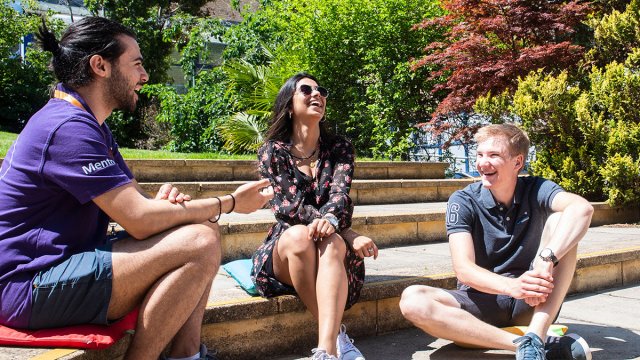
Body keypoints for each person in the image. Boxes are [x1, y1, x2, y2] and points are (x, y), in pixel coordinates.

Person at [0, 17, 274, 360]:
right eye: (137, 64)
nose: (144, 77)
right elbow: (140, 220)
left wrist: (164, 208)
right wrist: (231, 202)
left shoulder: (90, 123)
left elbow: (138, 207)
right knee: (200, 239)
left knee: (200, 230)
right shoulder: (67, 127)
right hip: (27, 285)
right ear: (100, 65)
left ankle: (186, 355)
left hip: (60, 266)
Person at [399, 124, 594, 360]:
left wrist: (545, 261)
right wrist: (512, 287)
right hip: (481, 304)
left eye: (494, 155)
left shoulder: (537, 188)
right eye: (480, 154)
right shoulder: (463, 200)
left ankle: (537, 331)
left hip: (533, 302)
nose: (482, 163)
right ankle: (531, 345)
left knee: (564, 221)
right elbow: (464, 270)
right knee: (413, 300)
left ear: (517, 162)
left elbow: (583, 208)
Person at [250, 73, 378, 360]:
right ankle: (337, 336)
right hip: (288, 250)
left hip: (331, 245)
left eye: (321, 90)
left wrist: (332, 223)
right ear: (288, 104)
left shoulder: (340, 149)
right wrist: (337, 227)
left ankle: (326, 352)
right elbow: (286, 206)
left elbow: (340, 196)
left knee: (331, 243)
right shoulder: (272, 152)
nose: (316, 94)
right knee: (297, 236)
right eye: (306, 89)